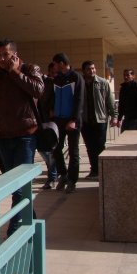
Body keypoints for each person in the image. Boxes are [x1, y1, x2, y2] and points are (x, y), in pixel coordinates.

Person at [0, 39, 44, 237]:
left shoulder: (30, 69)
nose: (1, 58)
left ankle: (13, 230)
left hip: (26, 135)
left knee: (20, 185)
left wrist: (15, 72)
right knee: (15, 186)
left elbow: (38, 90)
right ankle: (32, 220)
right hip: (3, 137)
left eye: (5, 55)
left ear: (14, 54)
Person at [49, 53, 85, 194]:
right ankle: (63, 175)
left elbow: (79, 99)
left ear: (62, 63)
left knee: (73, 151)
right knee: (56, 148)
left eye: (55, 64)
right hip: (58, 119)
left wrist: (74, 120)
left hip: (72, 120)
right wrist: (52, 109)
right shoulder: (57, 78)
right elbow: (53, 96)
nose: (54, 67)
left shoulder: (76, 77)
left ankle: (72, 181)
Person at [80, 61, 117, 179]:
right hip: (85, 120)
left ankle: (102, 171)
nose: (92, 71)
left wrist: (114, 116)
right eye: (88, 69)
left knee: (100, 146)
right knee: (90, 147)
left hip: (100, 120)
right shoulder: (80, 83)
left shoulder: (103, 82)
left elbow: (110, 101)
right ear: (83, 71)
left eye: (93, 68)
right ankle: (94, 170)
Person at [39, 62, 58, 189]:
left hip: (53, 121)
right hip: (41, 120)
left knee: (51, 150)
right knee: (43, 149)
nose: (54, 75)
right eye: (52, 72)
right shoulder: (44, 83)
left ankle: (53, 175)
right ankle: (54, 173)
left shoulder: (60, 84)